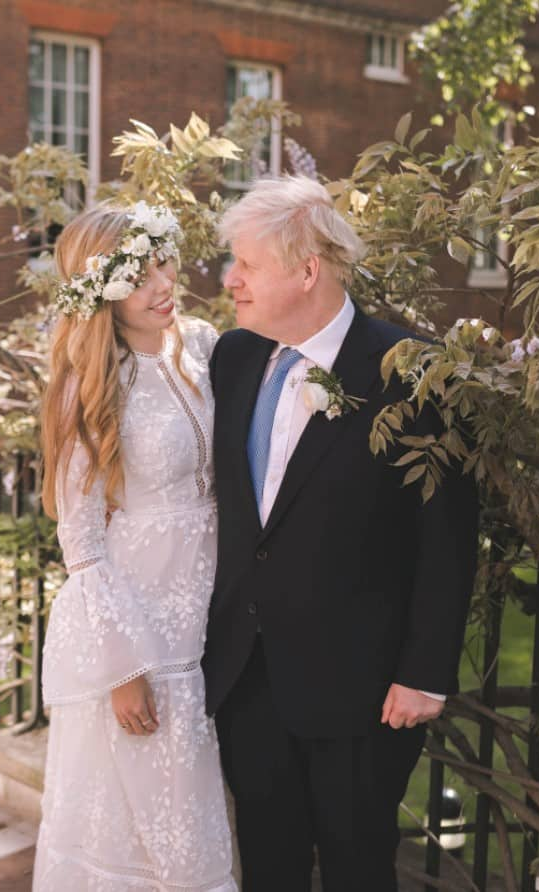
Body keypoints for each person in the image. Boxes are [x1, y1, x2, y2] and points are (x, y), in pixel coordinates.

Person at [203, 176, 479, 891]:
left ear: (305, 270)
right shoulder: (232, 360)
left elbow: (446, 536)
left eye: (245, 265)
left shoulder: (413, 372)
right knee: (268, 861)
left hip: (362, 687)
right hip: (246, 674)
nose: (230, 281)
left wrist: (424, 672)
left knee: (358, 863)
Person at [32, 202, 235, 892]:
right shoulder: (89, 385)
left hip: (213, 602)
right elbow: (82, 541)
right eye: (137, 273)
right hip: (140, 623)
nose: (161, 282)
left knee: (198, 799)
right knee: (145, 813)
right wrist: (120, 667)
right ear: (100, 290)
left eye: (163, 260)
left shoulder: (202, 344)